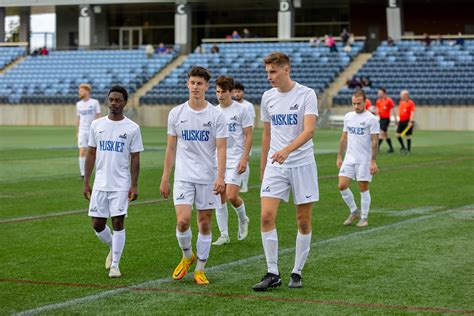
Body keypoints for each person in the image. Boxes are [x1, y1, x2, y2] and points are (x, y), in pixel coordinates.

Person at [253, 52, 319, 291]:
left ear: (286, 70)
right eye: (267, 72)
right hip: (275, 166)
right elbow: (267, 135)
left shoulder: (306, 94)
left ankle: (297, 271)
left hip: (302, 164)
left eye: (273, 72)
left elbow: (309, 130)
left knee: (303, 222)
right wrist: (263, 167)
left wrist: (287, 150)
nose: (269, 77)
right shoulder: (267, 97)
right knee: (266, 216)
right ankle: (272, 272)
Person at [160, 66, 227, 285]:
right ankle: (188, 255)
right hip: (183, 177)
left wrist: (221, 177)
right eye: (192, 82)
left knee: (205, 223)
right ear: (187, 84)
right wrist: (165, 177)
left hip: (208, 177)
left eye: (200, 83)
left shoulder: (216, 115)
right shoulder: (176, 113)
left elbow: (221, 148)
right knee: (183, 221)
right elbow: (170, 148)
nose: (195, 87)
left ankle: (200, 268)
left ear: (207, 87)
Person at [83, 86, 144, 278]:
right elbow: (91, 153)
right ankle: (112, 245)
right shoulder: (97, 125)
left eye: (118, 100)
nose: (114, 103)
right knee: (97, 225)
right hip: (101, 183)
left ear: (125, 103)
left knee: (118, 221)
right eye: (111, 100)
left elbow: (135, 158)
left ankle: (115, 265)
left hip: (121, 184)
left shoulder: (132, 128)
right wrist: (86, 181)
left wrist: (134, 185)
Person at [212, 76, 253, 246]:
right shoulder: (213, 111)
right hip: (217, 159)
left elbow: (249, 135)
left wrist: (245, 158)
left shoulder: (241, 110)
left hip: (236, 158)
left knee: (231, 195)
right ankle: (224, 234)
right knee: (219, 196)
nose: (220, 95)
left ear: (230, 92)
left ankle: (243, 219)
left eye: (223, 92)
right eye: (217, 92)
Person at [337, 89, 379, 228]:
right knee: (342, 186)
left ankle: (364, 218)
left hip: (364, 160)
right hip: (349, 158)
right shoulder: (348, 117)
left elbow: (375, 141)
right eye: (354, 103)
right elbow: (344, 137)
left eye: (358, 103)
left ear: (365, 102)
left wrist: (373, 161)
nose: (356, 106)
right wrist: (339, 156)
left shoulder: (371, 119)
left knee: (363, 188)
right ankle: (354, 211)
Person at [233, 81, 256, 193]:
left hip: (245, 138)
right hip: (234, 140)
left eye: (239, 91)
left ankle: (244, 185)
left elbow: (250, 123)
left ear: (243, 92)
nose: (237, 94)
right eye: (235, 91)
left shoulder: (248, 106)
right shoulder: (232, 105)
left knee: (244, 161)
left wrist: (248, 136)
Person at [76, 84, 101, 180]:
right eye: (79, 90)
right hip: (82, 130)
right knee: (82, 151)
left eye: (81, 90)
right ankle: (83, 174)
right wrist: (77, 132)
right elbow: (78, 119)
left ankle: (98, 172)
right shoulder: (78, 104)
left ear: (87, 91)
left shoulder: (94, 102)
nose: (80, 92)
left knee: (94, 152)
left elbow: (98, 116)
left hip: (93, 130)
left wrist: (98, 129)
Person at [375, 87, 397, 153]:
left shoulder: (389, 100)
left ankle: (377, 148)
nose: (379, 94)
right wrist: (375, 113)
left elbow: (393, 110)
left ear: (384, 93)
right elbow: (377, 110)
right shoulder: (378, 101)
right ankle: (391, 149)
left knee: (381, 133)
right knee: (385, 134)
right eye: (378, 93)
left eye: (380, 93)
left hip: (386, 119)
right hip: (381, 119)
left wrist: (395, 119)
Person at [396, 90, 416, 155]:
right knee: (398, 135)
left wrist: (410, 121)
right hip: (401, 121)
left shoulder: (411, 103)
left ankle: (408, 150)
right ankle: (403, 147)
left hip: (407, 121)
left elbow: (412, 112)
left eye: (401, 95)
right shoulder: (400, 102)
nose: (400, 96)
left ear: (406, 95)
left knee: (407, 136)